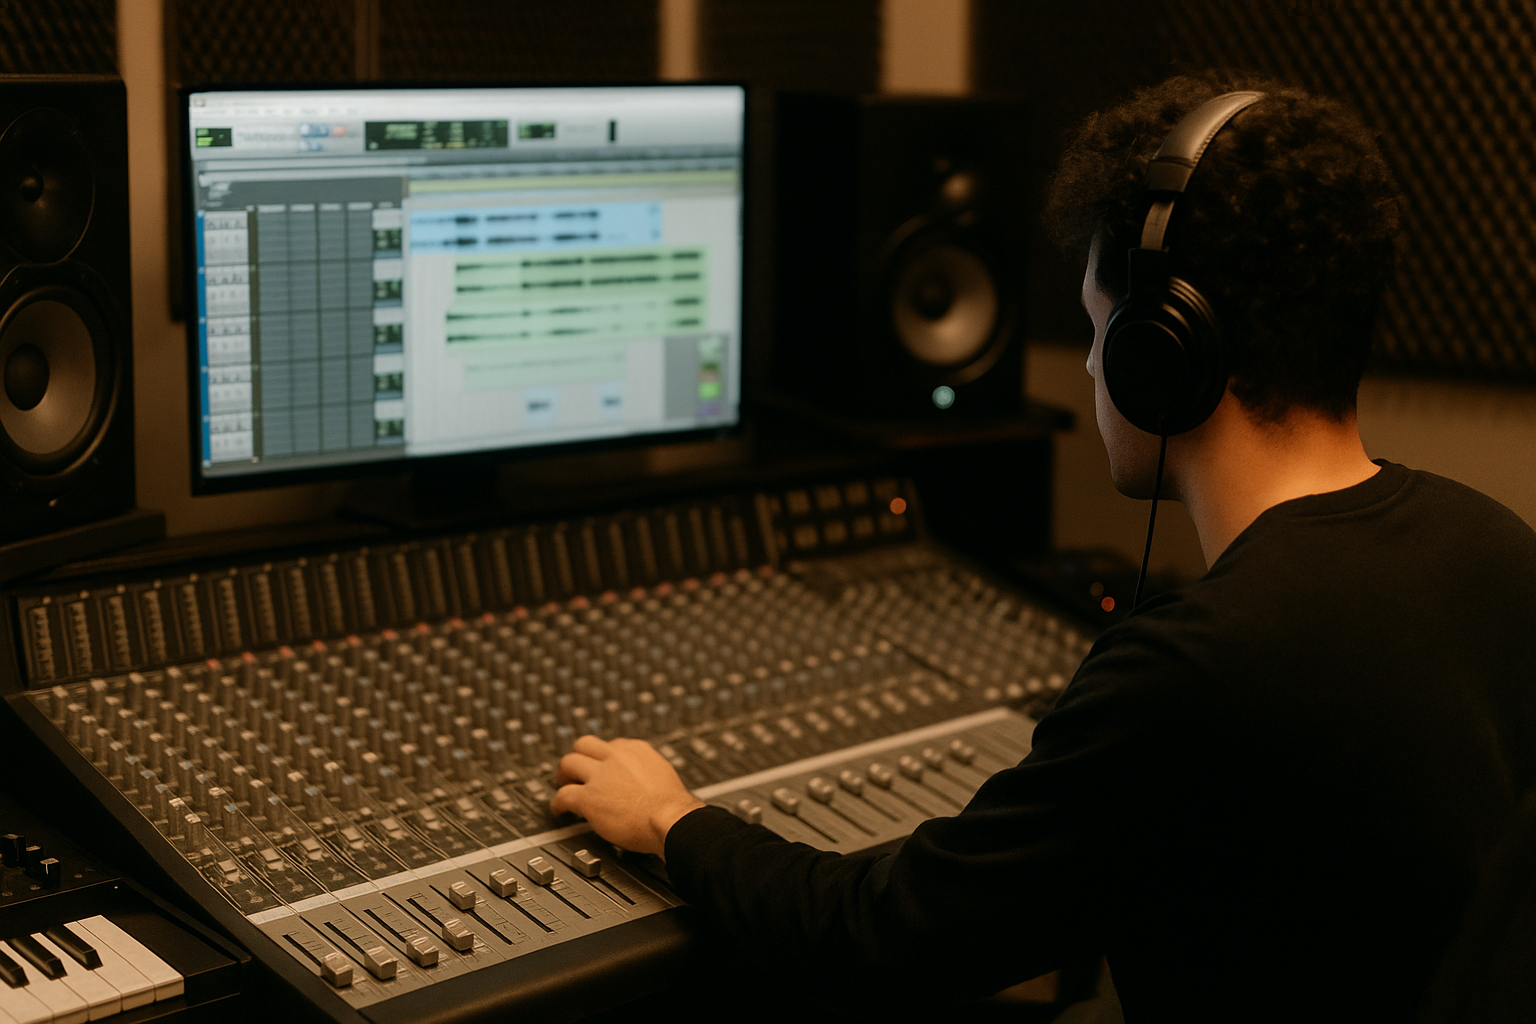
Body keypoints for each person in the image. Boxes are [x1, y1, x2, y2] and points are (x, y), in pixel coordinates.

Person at [549, 72, 1536, 1022]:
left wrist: (671, 820)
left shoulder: (1194, 668)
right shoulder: (1497, 547)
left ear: (1162, 352)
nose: (1098, 366)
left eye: (1101, 330)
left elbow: (880, 942)